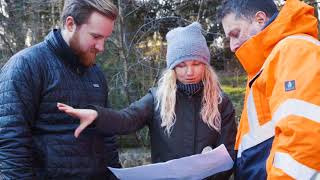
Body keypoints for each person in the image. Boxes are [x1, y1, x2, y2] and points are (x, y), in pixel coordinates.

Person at [58, 22, 237, 179]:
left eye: (196, 64)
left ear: (205, 65)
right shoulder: (156, 99)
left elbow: (228, 153)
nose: (189, 72)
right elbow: (126, 119)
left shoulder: (222, 103)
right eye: (181, 65)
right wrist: (97, 116)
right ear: (172, 68)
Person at [0, 0, 121, 179]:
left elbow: (107, 137)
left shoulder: (96, 74)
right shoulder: (26, 65)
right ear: (70, 24)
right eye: (96, 37)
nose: (101, 47)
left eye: (105, 38)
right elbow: (11, 144)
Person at [217, 0, 320, 179]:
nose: (232, 46)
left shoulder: (294, 51)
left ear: (260, 19)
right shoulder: (266, 64)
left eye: (235, 34)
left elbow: (303, 142)